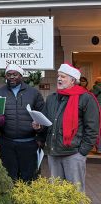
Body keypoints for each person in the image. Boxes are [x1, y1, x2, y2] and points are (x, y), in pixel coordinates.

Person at [34, 63, 100, 192]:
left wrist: (83, 152)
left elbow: (92, 128)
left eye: (63, 76)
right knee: (57, 192)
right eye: (58, 76)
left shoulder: (85, 98)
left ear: (73, 80)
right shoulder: (52, 99)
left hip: (74, 154)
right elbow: (46, 123)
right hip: (54, 152)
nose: (59, 79)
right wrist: (39, 126)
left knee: (75, 193)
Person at [0, 64, 45, 182]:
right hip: (7, 144)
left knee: (29, 179)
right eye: (9, 74)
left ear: (21, 76)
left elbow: (43, 116)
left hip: (29, 144)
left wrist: (39, 129)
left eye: (15, 74)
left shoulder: (33, 93)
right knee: (9, 178)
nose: (12, 77)